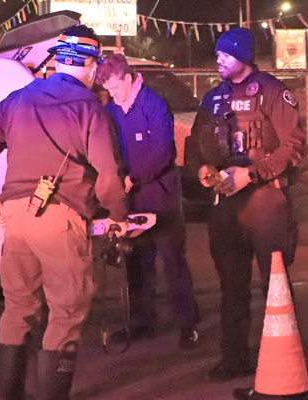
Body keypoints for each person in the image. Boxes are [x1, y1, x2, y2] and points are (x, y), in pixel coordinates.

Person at [0, 25, 129, 400]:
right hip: (61, 219)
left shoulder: (18, 99)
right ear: (91, 66)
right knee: (66, 313)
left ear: (57, 60)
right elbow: (108, 176)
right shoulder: (89, 108)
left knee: (17, 308)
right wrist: (118, 216)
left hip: (15, 218)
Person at [186, 27, 305, 382]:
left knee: (275, 285)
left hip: (266, 201)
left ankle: (286, 363)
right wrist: (202, 170)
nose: (218, 60)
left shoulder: (273, 92)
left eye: (225, 54)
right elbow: (195, 144)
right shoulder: (213, 97)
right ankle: (234, 357)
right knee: (231, 284)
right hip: (226, 204)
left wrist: (251, 174)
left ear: (244, 56)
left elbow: (293, 147)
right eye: (217, 54)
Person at [95, 54, 201, 349]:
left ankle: (187, 324)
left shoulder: (153, 104)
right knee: (136, 262)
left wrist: (132, 178)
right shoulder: (111, 111)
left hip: (161, 195)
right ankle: (141, 322)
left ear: (128, 78)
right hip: (132, 198)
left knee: (173, 261)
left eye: (115, 87)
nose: (113, 94)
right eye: (108, 89)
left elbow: (163, 151)